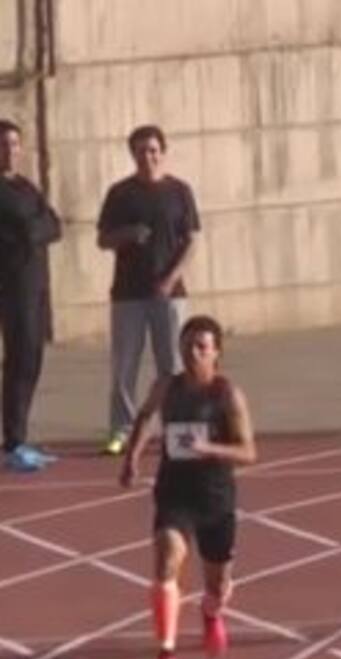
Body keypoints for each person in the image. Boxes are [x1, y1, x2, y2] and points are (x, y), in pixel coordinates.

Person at [119, 315, 256, 659]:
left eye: (201, 347)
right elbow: (146, 416)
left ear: (216, 355)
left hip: (215, 495)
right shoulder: (167, 386)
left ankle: (211, 612)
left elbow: (248, 452)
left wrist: (208, 448)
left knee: (217, 584)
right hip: (175, 491)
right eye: (187, 345)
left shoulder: (228, 395)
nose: (192, 353)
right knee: (166, 561)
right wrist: (132, 457)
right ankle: (166, 655)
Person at [98, 123, 201, 456]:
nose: (149, 157)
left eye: (154, 150)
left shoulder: (179, 192)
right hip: (128, 294)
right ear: (133, 155)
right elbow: (103, 239)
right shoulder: (120, 194)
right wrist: (127, 234)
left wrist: (171, 279)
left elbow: (192, 240)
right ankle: (122, 431)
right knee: (124, 365)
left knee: (172, 365)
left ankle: (175, 428)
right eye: (142, 151)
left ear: (163, 152)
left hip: (169, 295)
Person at [0, 119, 61, 472]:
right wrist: (31, 231)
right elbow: (17, 232)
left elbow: (53, 224)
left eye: (14, 144)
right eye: (4, 145)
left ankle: (20, 435)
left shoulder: (25, 186)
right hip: (14, 284)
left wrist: (33, 230)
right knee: (20, 358)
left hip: (37, 282)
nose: (10, 151)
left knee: (33, 358)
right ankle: (13, 440)